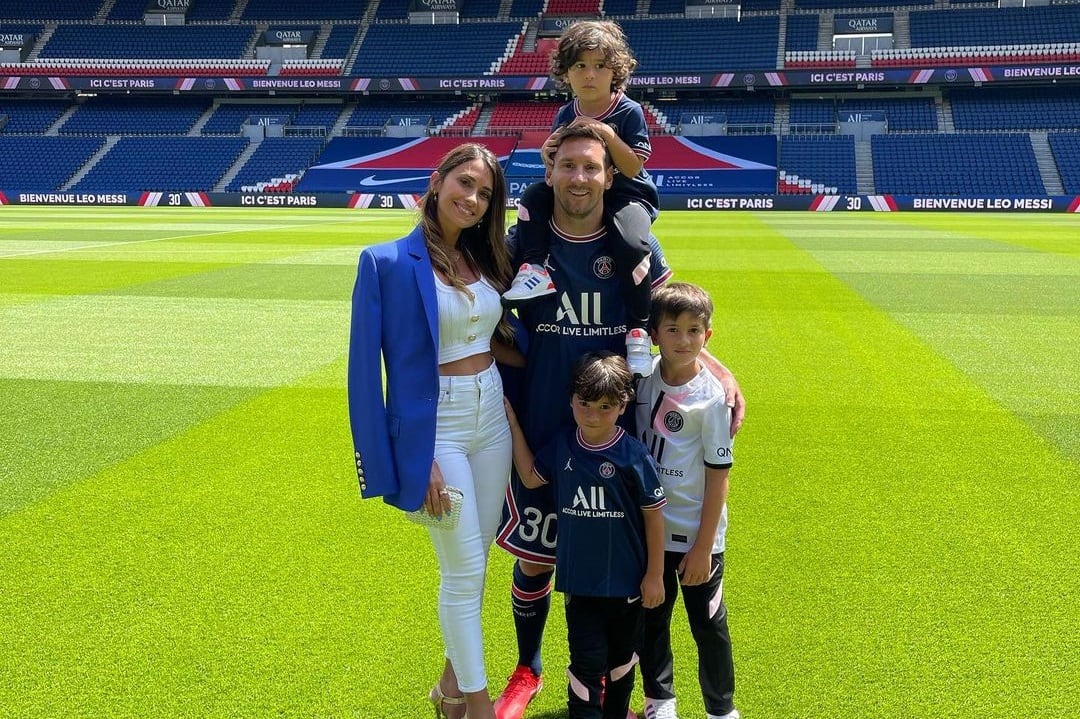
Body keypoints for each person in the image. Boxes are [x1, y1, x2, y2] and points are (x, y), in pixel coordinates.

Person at [492, 123, 745, 719]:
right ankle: (527, 669)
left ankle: (615, 687)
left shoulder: (633, 245)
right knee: (536, 556)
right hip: (542, 421)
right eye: (569, 166)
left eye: (593, 168)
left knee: (621, 564)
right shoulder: (521, 245)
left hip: (617, 436)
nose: (580, 178)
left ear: (610, 176)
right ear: (549, 171)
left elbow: (674, 322)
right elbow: (477, 314)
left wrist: (720, 368)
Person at [348, 142, 522, 719]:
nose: (472, 199)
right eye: (465, 184)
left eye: (485, 193)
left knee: (479, 561)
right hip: (437, 428)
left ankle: (448, 688)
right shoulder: (386, 262)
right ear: (437, 179)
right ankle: (476, 705)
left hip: (491, 414)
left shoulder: (487, 259)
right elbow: (363, 379)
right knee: (464, 568)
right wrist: (407, 458)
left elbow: (497, 339)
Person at [504, 351, 667, 719]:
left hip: (627, 585)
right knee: (586, 660)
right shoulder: (564, 444)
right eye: (585, 404)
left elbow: (655, 516)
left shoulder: (633, 455)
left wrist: (654, 575)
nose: (592, 415)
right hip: (580, 584)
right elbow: (531, 476)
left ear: (623, 405)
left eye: (605, 407)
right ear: (571, 400)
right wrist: (513, 424)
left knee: (623, 661)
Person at [501, 19, 660, 379]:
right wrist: (548, 153)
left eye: (600, 66)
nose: (590, 75)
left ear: (615, 71)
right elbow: (557, 158)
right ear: (567, 73)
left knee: (633, 243)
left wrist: (605, 134)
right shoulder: (566, 112)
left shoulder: (627, 111)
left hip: (627, 195)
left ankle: (637, 331)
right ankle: (534, 268)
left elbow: (633, 167)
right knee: (532, 198)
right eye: (580, 66)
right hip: (584, 191)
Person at [635, 282, 739, 719]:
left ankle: (721, 709)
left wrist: (702, 547)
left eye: (694, 331)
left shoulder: (713, 398)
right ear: (654, 333)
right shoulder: (640, 377)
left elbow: (719, 478)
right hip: (648, 531)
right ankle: (660, 702)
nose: (684, 341)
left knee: (708, 625)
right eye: (673, 330)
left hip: (697, 536)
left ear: (708, 337)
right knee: (652, 619)